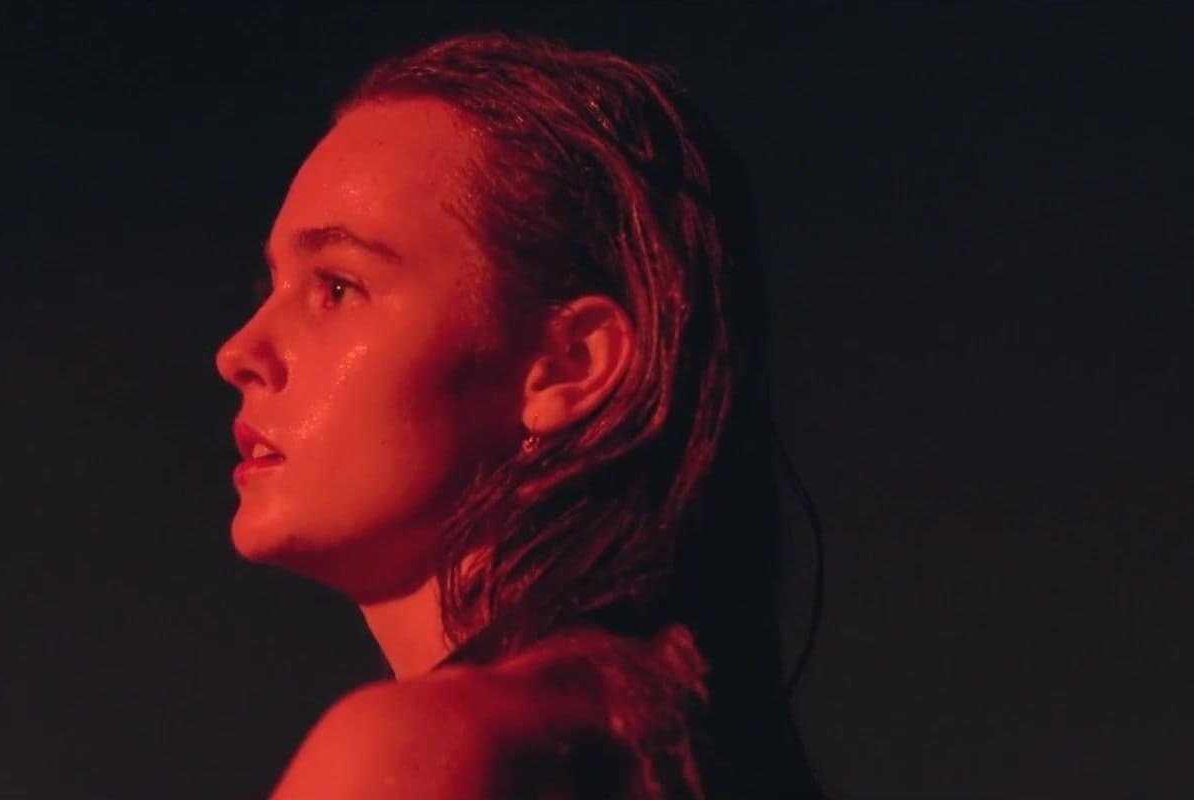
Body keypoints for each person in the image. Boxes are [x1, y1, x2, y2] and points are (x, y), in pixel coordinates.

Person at [215, 31, 825, 800]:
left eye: (338, 287)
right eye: (271, 285)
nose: (238, 352)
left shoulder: (415, 752)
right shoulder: (681, 745)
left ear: (570, 364)